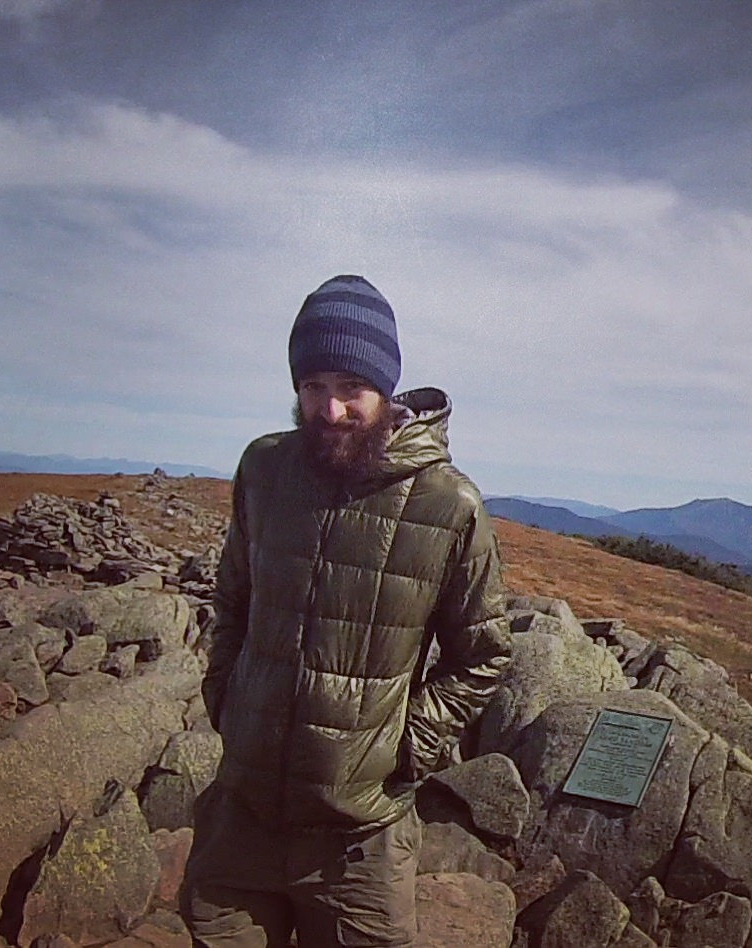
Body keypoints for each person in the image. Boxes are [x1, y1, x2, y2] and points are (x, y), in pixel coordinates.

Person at [181, 274, 511, 947]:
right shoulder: (265, 468)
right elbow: (234, 598)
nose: (328, 411)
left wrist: (406, 745)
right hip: (241, 820)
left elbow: (484, 655)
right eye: (312, 388)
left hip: (359, 840)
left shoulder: (450, 504)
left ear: (385, 391)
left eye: (348, 389)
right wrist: (226, 699)